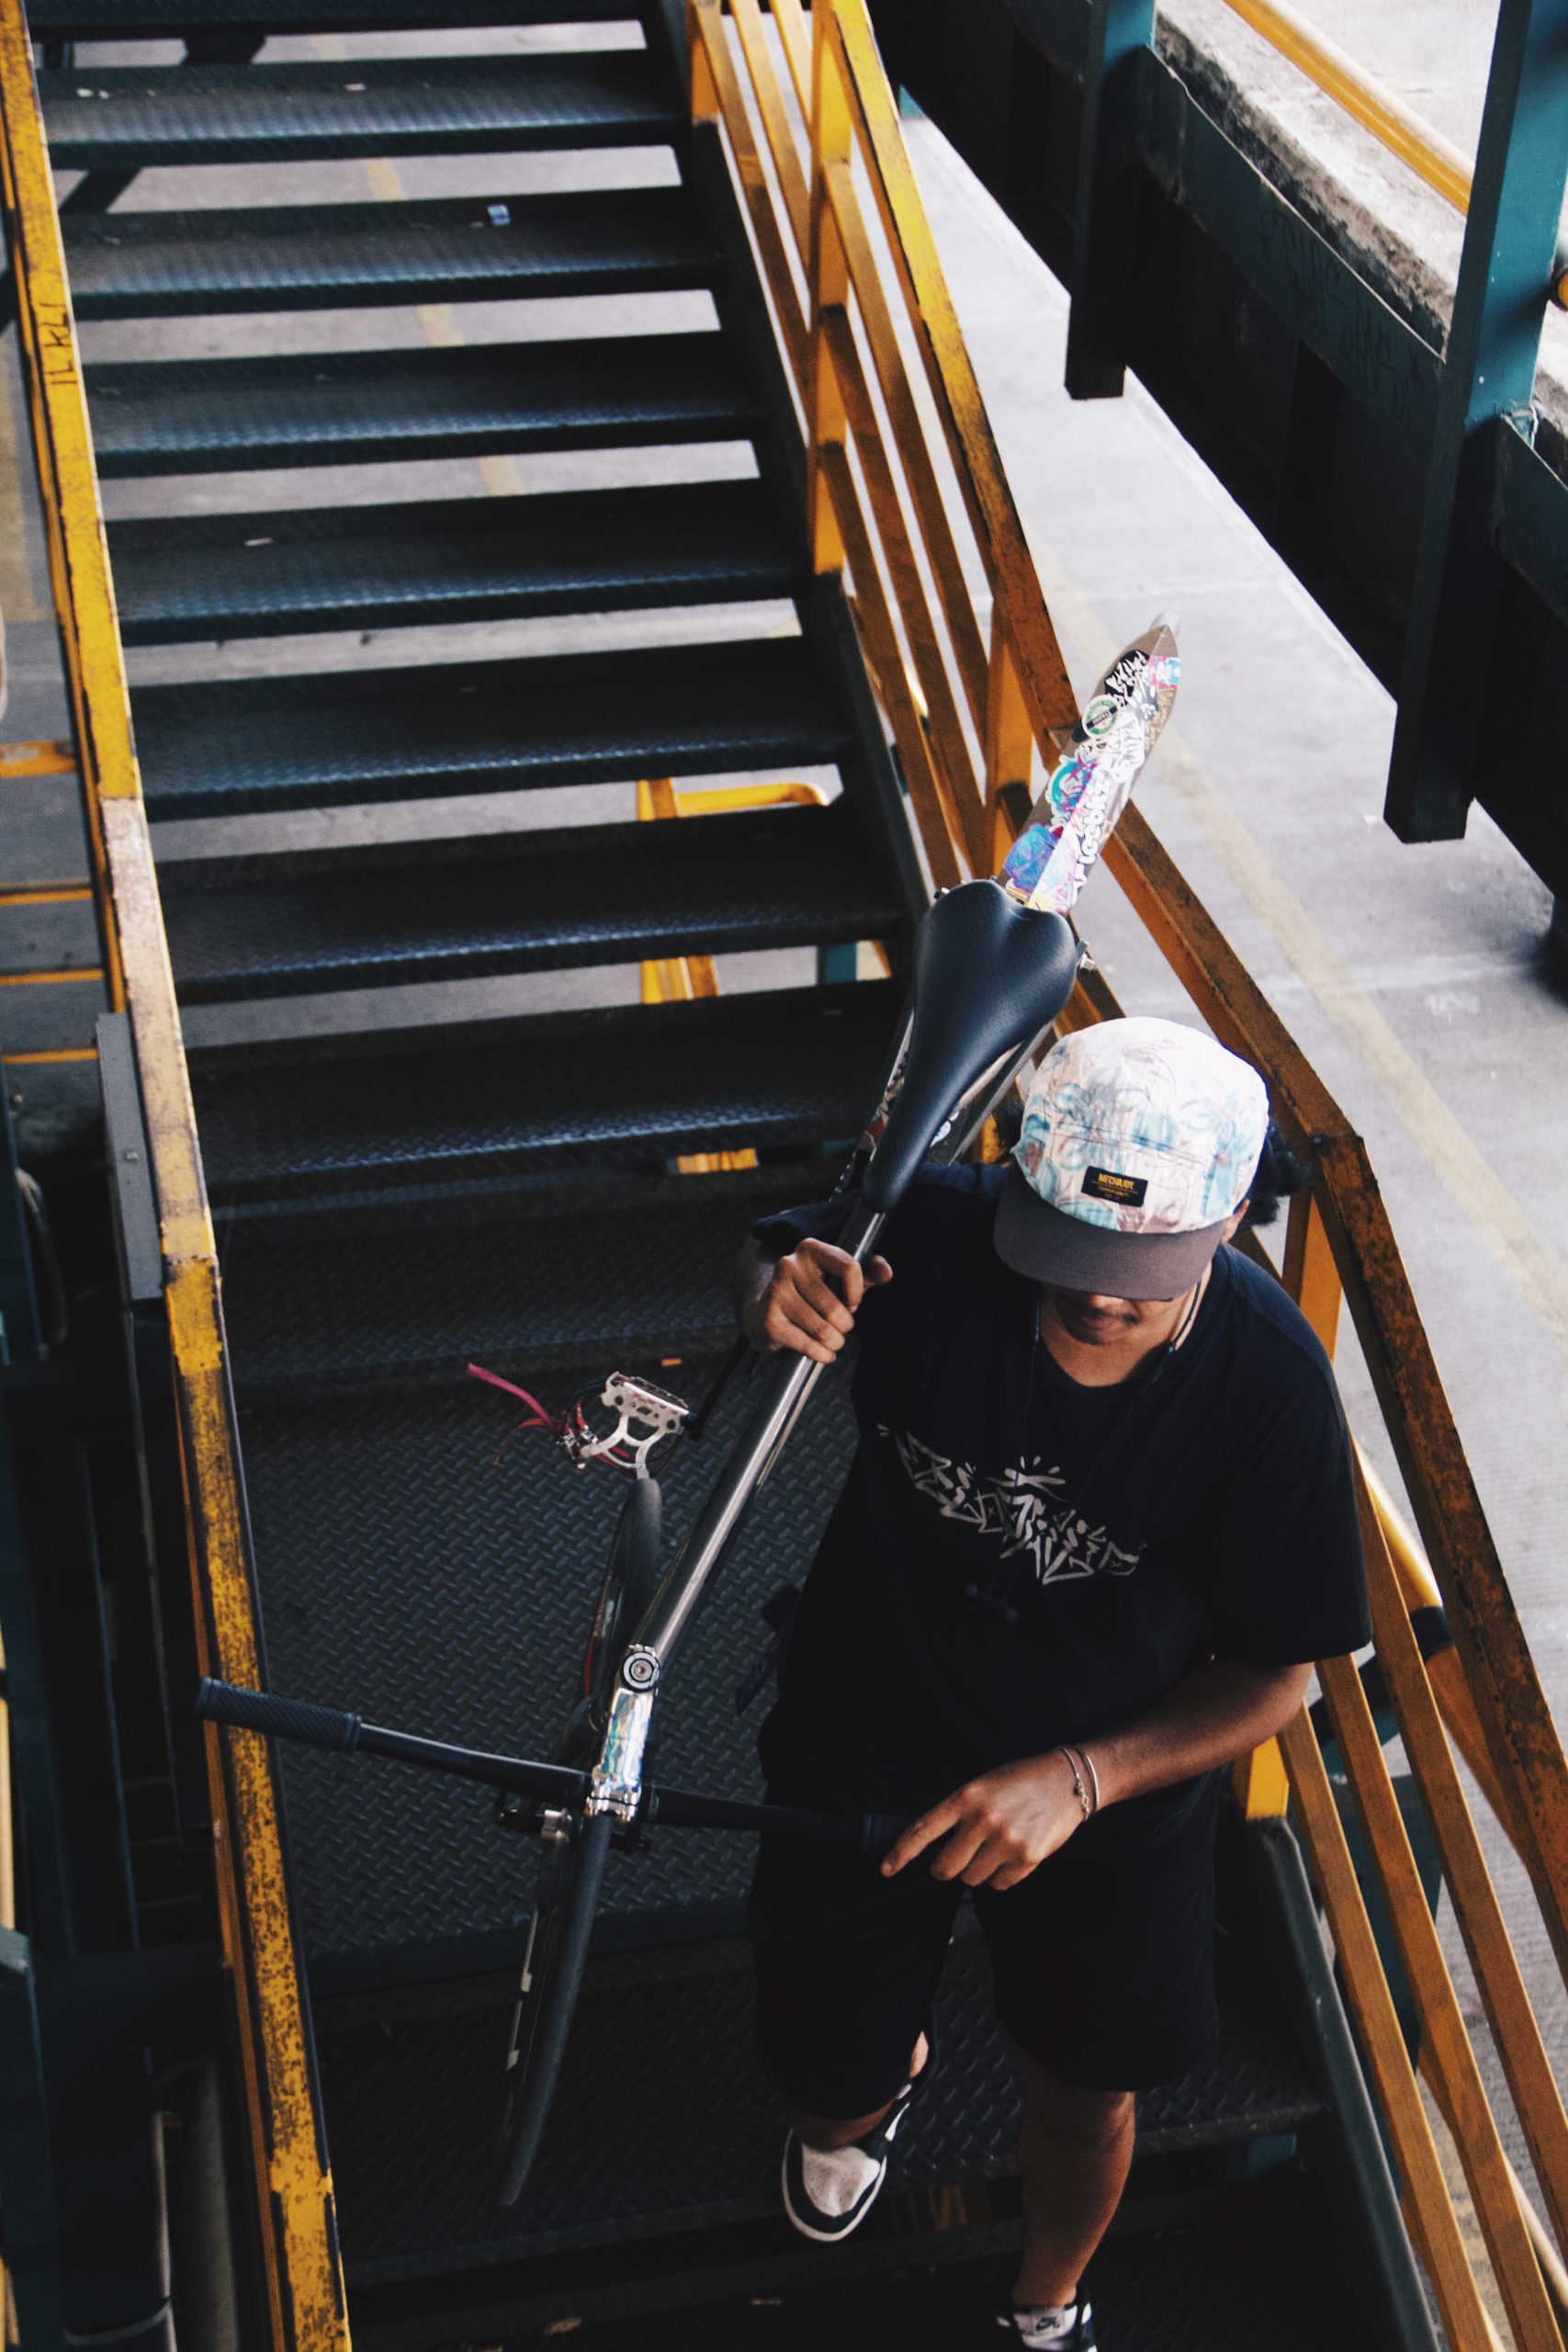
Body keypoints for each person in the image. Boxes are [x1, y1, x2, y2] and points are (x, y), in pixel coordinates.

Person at [735, 1015, 1370, 2350]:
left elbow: (1283, 1675)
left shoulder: (1271, 1393)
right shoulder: (934, 1229)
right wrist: (769, 1293)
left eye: (1140, 1267)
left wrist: (1081, 1781)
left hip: (1107, 1792)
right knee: (820, 2069)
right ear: (1015, 1179)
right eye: (1067, 1251)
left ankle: (1049, 2301)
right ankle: (877, 2086)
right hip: (866, 1722)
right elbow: (777, 1252)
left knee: (1088, 2088)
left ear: (1232, 1218)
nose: (1097, 1297)